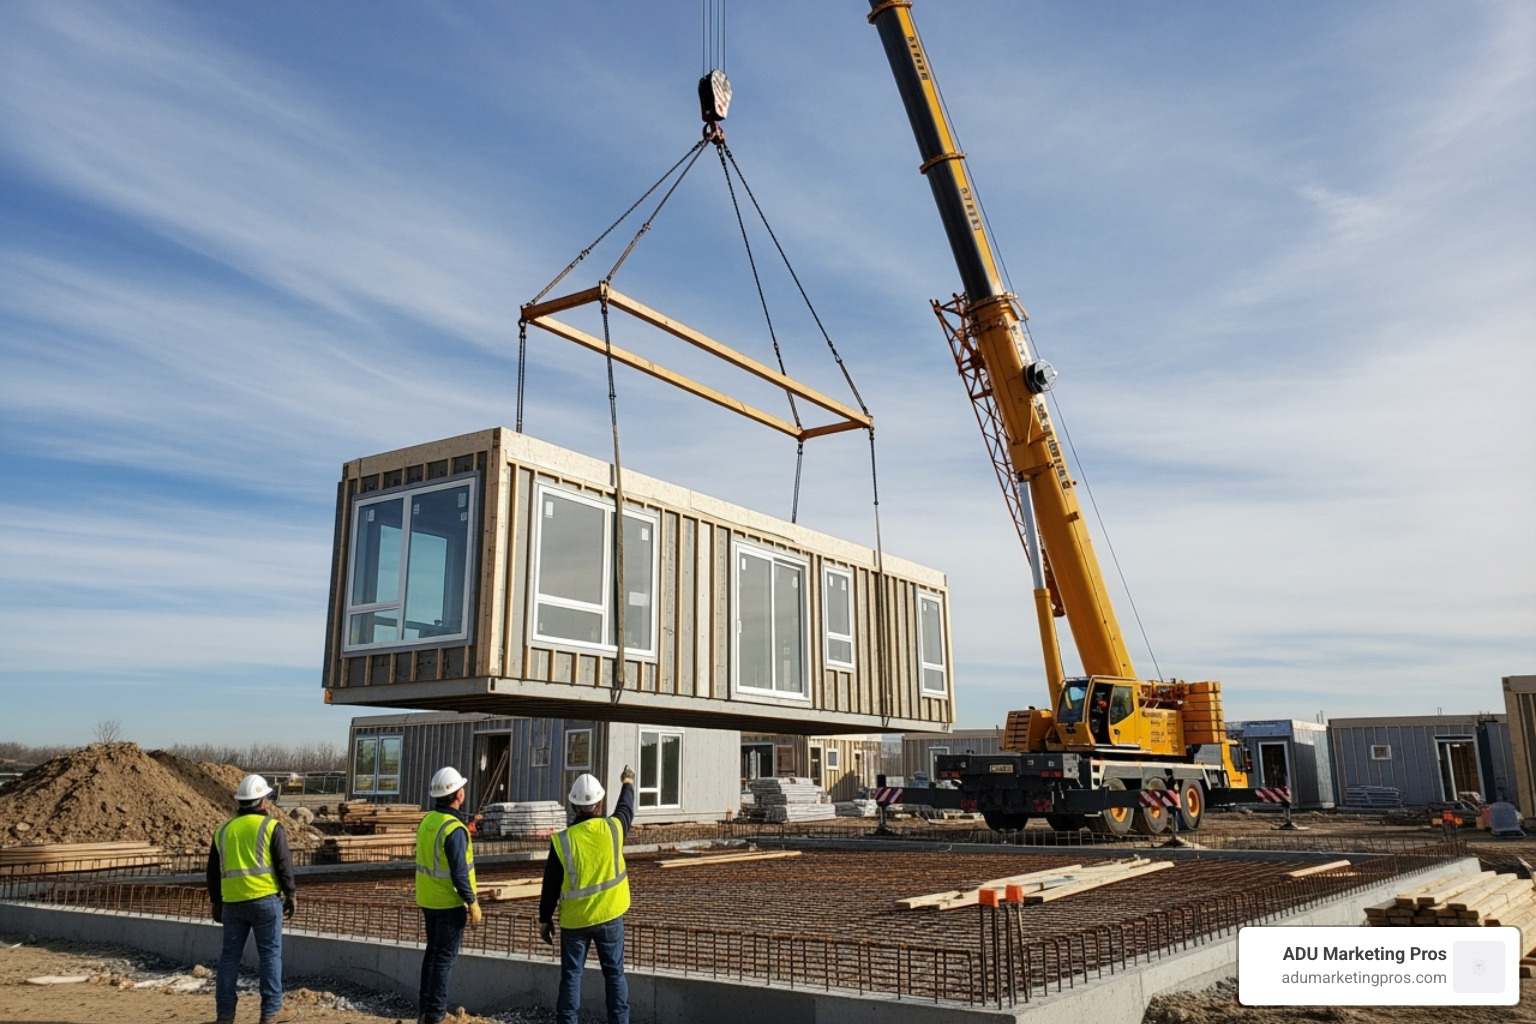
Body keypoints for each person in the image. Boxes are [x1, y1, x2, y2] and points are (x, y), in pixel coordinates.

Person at [539, 766, 635, 1024]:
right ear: (600, 804)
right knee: (615, 975)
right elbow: (626, 808)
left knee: (571, 975)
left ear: (573, 806)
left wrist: (544, 918)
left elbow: (550, 885)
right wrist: (627, 782)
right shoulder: (613, 829)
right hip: (610, 916)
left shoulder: (563, 840)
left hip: (575, 923)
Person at [207, 773, 297, 1024]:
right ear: (263, 801)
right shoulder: (271, 827)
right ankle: (271, 1011)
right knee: (269, 956)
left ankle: (225, 1014)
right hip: (265, 901)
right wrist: (290, 893)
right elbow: (283, 864)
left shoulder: (223, 831)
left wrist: (216, 901)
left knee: (229, 958)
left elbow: (213, 871)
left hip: (233, 904)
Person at [415, 766, 481, 1024]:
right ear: (458, 794)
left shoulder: (428, 821)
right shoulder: (453, 829)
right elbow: (459, 872)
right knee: (444, 960)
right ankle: (436, 1015)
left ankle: (425, 1011)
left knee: (432, 955)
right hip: (449, 904)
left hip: (428, 900)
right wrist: (472, 901)